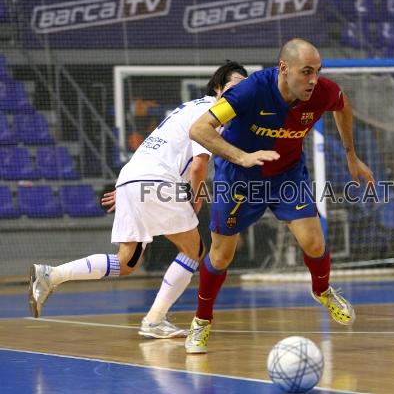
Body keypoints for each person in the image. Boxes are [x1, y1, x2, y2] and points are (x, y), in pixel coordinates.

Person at [28, 62, 249, 339]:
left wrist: (130, 186)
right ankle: (155, 320)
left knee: (126, 263)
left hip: (134, 177)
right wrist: (196, 199)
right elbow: (198, 166)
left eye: (245, 86)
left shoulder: (187, 108)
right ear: (218, 87)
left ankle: (51, 275)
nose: (240, 90)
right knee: (195, 251)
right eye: (235, 84)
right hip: (157, 181)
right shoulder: (208, 113)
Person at [185, 38, 375, 354]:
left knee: (315, 241)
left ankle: (322, 290)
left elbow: (342, 106)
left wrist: (351, 156)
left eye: (317, 71)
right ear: (284, 68)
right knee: (221, 256)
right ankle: (201, 322)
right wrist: (240, 156)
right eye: (306, 72)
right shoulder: (249, 91)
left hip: (286, 175)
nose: (313, 80)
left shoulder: (323, 91)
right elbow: (199, 129)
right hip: (239, 178)